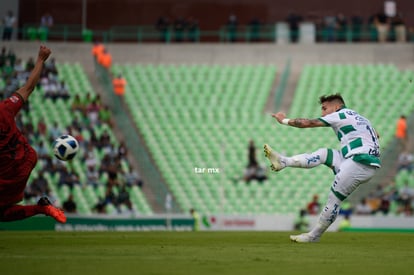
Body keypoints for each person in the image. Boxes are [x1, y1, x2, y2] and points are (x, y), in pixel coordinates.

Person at [264, 93, 380, 243]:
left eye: (325, 108)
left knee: (333, 199)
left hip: (360, 162)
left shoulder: (340, 114)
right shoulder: (361, 118)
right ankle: (284, 162)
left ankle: (314, 236)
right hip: (357, 160)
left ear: (337, 106)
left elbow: (307, 123)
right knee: (324, 154)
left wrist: (283, 120)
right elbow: (376, 134)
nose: (322, 113)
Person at [0, 45, 66, 223]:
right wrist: (40, 59)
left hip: (8, 175)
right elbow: (29, 87)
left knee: (2, 213)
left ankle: (41, 208)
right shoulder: (5, 108)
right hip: (28, 157)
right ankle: (43, 207)